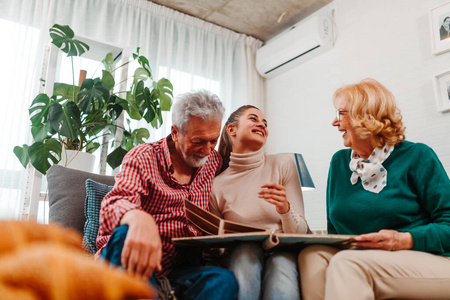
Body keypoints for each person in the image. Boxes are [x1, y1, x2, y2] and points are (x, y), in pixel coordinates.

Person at [297, 78, 450, 300]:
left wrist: (403, 239)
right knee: (311, 256)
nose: (334, 122)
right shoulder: (340, 162)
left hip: (427, 256)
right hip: (365, 257)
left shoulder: (417, 156)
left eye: (341, 113)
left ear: (365, 116)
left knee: (347, 263)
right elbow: (335, 233)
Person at [96, 89, 238, 300]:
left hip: (174, 272)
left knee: (223, 280)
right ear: (175, 132)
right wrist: (138, 218)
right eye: (199, 141)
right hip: (129, 260)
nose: (207, 150)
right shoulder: (143, 157)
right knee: (125, 234)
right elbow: (114, 203)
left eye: (213, 141)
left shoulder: (212, 162)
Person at [210, 105, 309, 300]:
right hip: (240, 254)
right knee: (244, 255)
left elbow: (302, 231)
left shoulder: (284, 165)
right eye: (254, 119)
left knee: (281, 269)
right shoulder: (216, 185)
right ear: (232, 130)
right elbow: (216, 245)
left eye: (265, 123)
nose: (262, 125)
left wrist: (285, 210)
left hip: (282, 249)